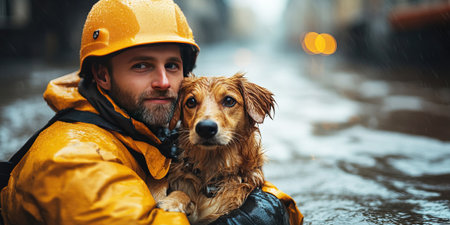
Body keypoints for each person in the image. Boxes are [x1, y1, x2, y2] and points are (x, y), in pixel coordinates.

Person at [0, 0, 303, 224]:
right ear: (103, 75)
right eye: (141, 66)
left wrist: (271, 202)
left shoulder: (148, 127)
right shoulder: (72, 160)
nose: (163, 82)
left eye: (171, 66)